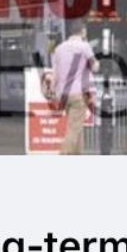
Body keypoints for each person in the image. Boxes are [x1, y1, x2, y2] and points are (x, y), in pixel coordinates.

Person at [49, 22, 97, 155]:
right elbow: (95, 66)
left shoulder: (59, 48)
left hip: (63, 94)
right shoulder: (84, 46)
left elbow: (55, 73)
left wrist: (52, 91)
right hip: (78, 94)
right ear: (82, 31)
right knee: (73, 130)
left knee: (76, 127)